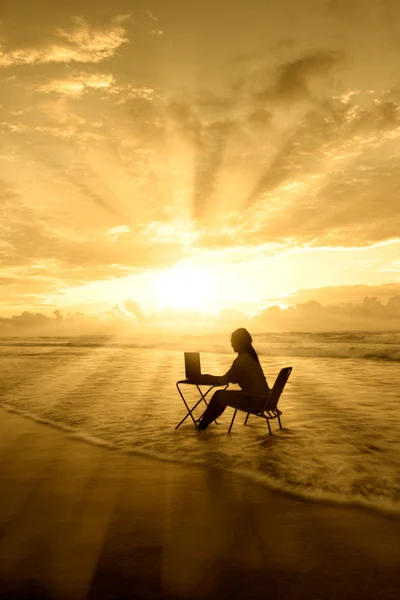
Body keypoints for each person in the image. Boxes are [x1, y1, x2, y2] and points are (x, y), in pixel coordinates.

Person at [194, 328, 270, 431]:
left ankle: (202, 426)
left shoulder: (241, 360)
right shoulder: (252, 357)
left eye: (233, 341)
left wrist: (204, 377)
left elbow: (224, 380)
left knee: (219, 396)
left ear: (240, 342)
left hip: (255, 401)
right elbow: (233, 378)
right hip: (266, 399)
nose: (231, 344)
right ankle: (203, 423)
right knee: (220, 395)